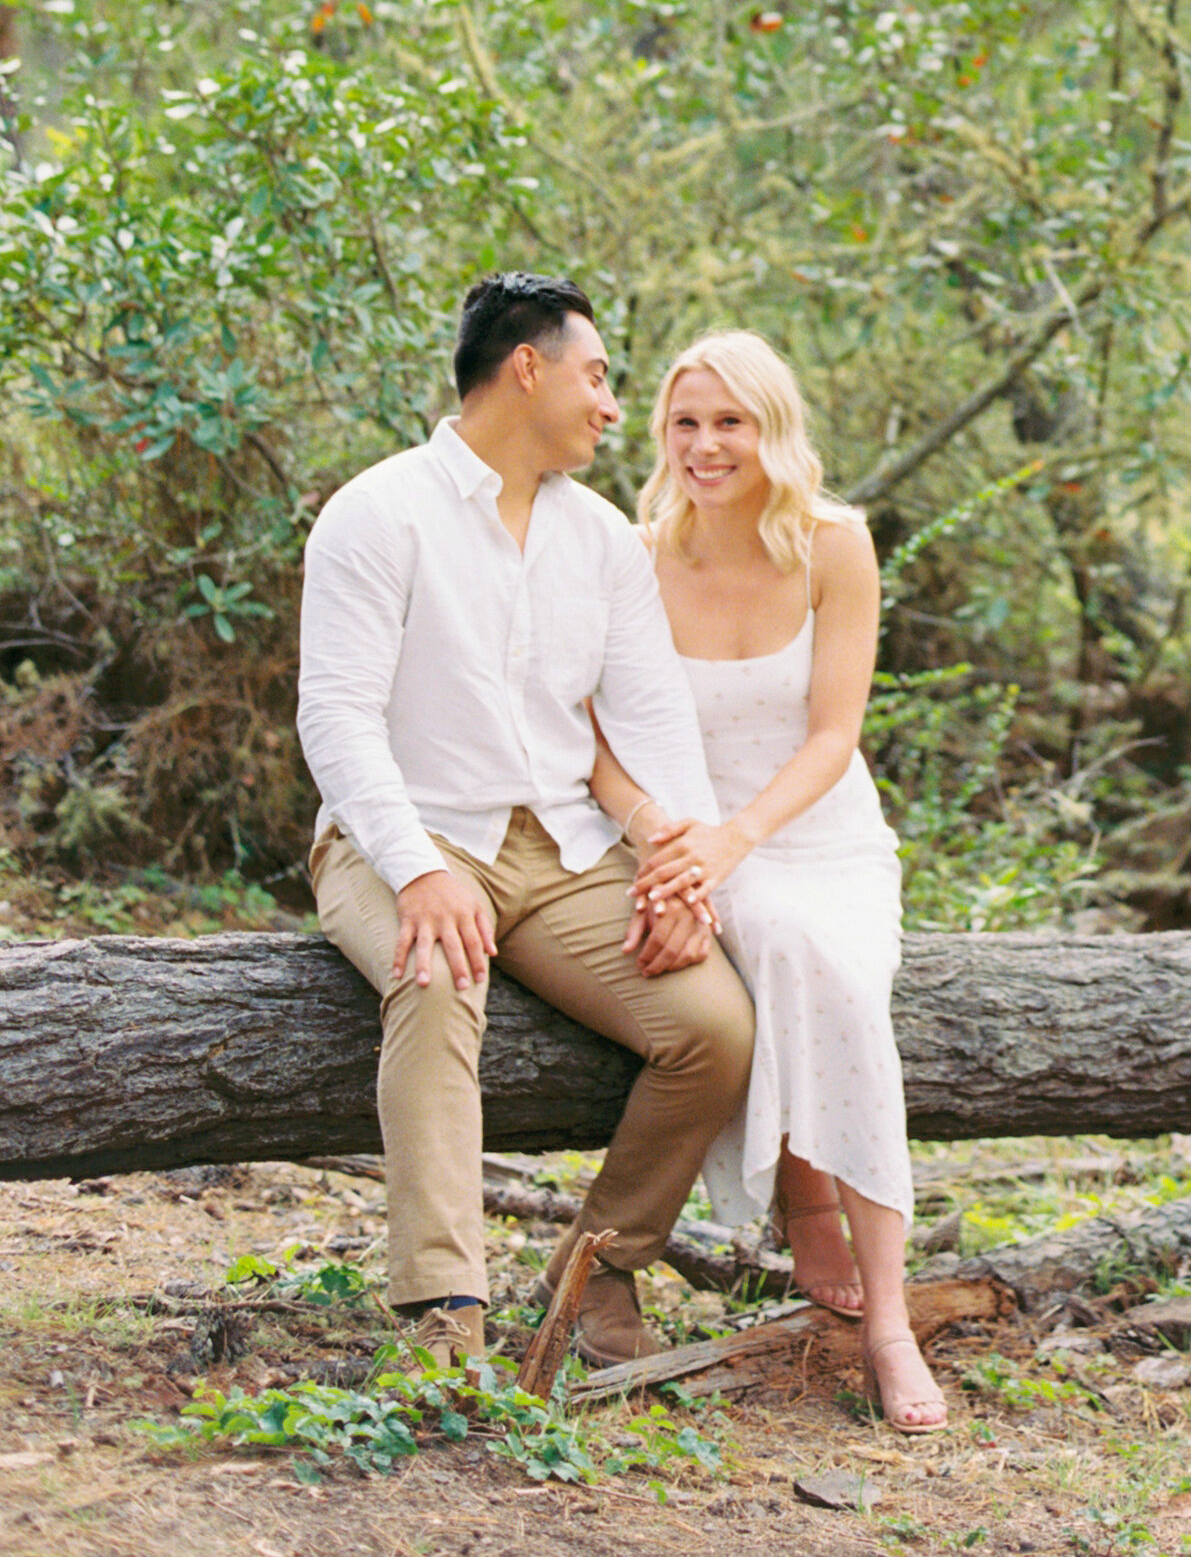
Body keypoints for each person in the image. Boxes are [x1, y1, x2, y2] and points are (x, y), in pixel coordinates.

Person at [296, 272, 754, 1370]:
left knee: (715, 1029)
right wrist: (413, 870)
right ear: (528, 368)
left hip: (560, 850)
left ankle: (595, 1280)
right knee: (438, 972)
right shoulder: (379, 511)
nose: (611, 404)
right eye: (597, 376)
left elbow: (652, 723)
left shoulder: (599, 540)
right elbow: (338, 716)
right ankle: (442, 1313)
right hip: (397, 832)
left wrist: (685, 877)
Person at [588, 328, 944, 1433]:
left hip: (811, 834)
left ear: (771, 428)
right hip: (684, 838)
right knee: (783, 945)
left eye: (729, 421)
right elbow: (587, 741)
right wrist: (667, 843)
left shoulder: (834, 544)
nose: (705, 444)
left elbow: (835, 735)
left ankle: (888, 1315)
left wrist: (736, 840)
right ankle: (805, 1193)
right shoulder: (632, 557)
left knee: (827, 955)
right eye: (685, 423)